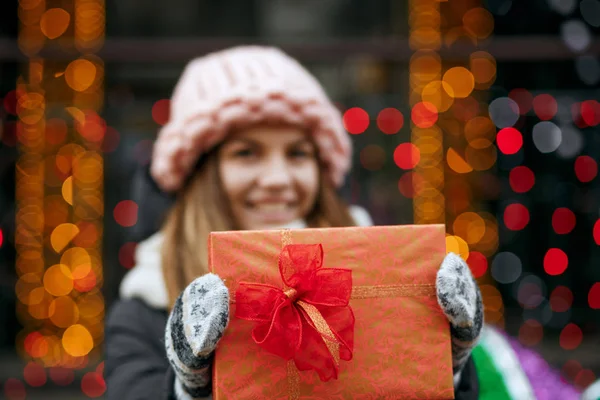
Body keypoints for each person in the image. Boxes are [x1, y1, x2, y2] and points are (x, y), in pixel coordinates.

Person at [104, 46, 584, 400]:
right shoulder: (145, 305)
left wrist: (450, 369)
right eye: (245, 153)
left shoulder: (387, 283)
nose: (277, 178)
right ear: (199, 174)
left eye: (298, 153)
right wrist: (189, 387)